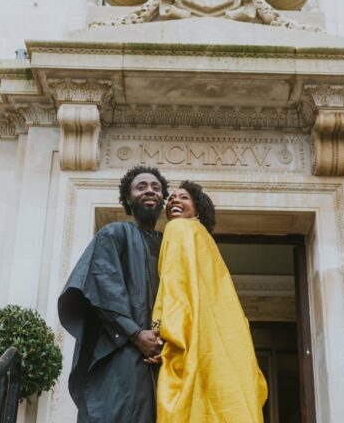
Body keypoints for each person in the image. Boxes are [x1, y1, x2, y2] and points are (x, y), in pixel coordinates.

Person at [58, 166, 169, 422]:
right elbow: (104, 286)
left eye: (155, 187)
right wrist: (136, 334)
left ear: (163, 198)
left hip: (165, 358)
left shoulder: (170, 243)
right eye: (141, 187)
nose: (149, 190)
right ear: (127, 199)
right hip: (123, 352)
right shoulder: (114, 233)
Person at [152, 180, 268, 422]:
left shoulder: (178, 229)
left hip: (194, 335)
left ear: (198, 208)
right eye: (171, 198)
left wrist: (160, 333)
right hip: (224, 340)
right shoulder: (205, 239)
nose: (174, 200)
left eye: (183, 197)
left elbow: (175, 286)